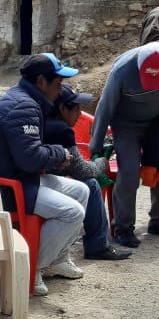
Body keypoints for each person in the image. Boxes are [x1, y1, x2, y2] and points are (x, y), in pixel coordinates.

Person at [0, 54, 89, 296]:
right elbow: (30, 159)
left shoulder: (26, 100)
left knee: (82, 190)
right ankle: (30, 267)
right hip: (5, 187)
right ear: (40, 82)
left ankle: (56, 259)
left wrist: (52, 154)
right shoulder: (24, 106)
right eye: (57, 85)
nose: (59, 92)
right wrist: (58, 154)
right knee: (72, 213)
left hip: (17, 178)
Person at [88, 40, 159, 247]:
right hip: (126, 124)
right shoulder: (122, 71)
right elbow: (105, 107)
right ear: (139, 66)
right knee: (129, 171)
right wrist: (95, 146)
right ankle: (122, 227)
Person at [44, 86, 131, 261]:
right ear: (62, 109)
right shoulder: (61, 130)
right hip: (40, 184)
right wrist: (102, 163)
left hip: (40, 179)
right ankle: (97, 246)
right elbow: (83, 171)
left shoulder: (44, 122)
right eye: (76, 108)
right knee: (90, 184)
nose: (79, 113)